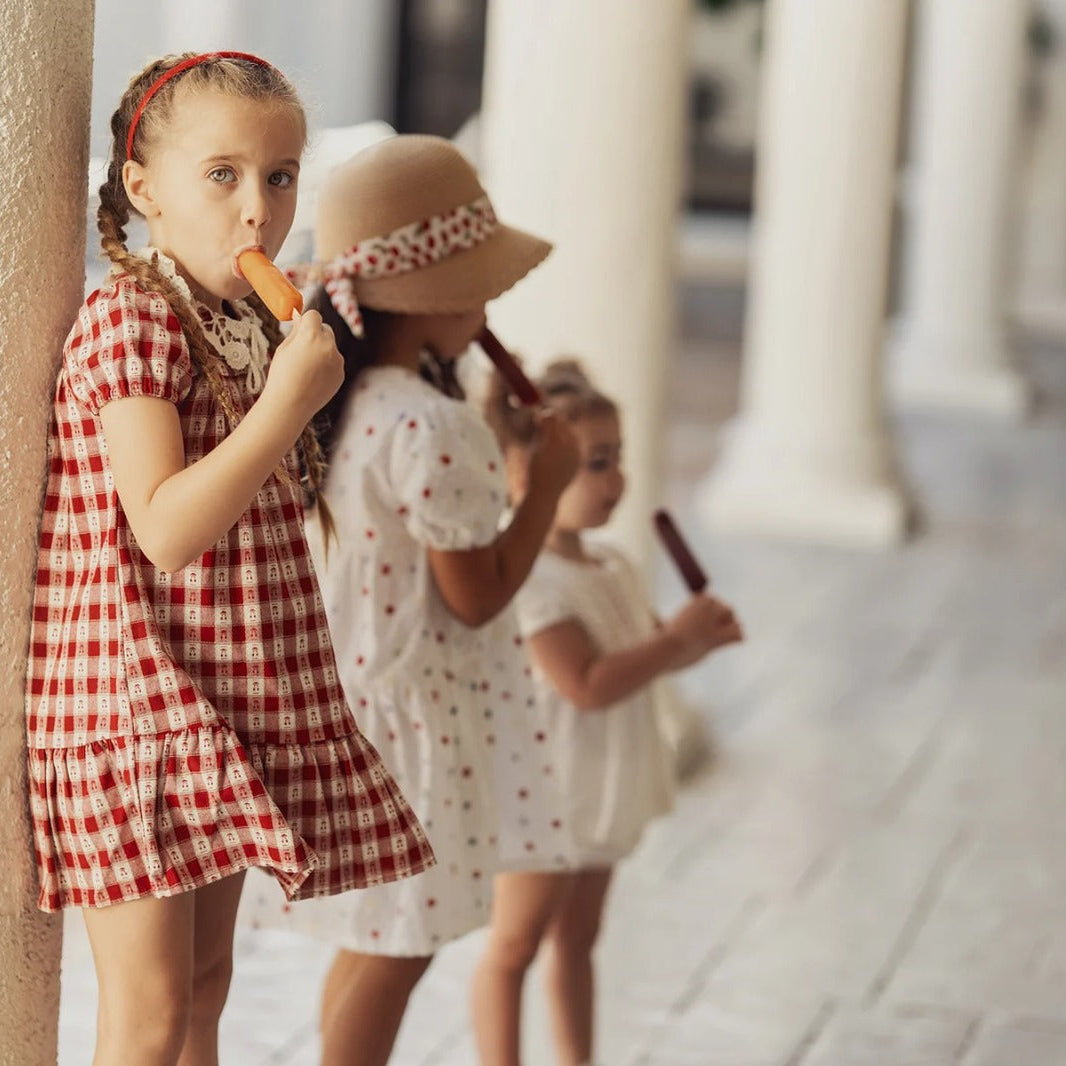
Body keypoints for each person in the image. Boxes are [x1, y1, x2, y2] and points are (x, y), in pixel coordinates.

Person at [24, 52, 432, 1066]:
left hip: (230, 690)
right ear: (142, 189)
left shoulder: (241, 319)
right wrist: (291, 401)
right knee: (152, 1009)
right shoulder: (132, 316)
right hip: (136, 701)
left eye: (281, 175)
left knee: (208, 987)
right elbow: (162, 526)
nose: (258, 209)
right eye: (223, 175)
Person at [239, 133, 578, 1066]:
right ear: (432, 295)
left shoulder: (335, 396)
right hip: (417, 729)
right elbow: (476, 600)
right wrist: (542, 488)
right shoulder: (433, 426)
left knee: (374, 947)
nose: (489, 305)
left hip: (353, 703)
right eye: (476, 283)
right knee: (398, 955)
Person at [473, 360, 744, 1066]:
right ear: (524, 478)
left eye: (617, 458)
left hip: (599, 787)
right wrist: (672, 643)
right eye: (595, 464)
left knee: (578, 939)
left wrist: (691, 643)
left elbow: (645, 654)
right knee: (514, 944)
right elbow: (586, 683)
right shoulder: (532, 579)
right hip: (547, 793)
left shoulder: (616, 566)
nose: (616, 479)